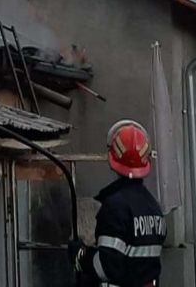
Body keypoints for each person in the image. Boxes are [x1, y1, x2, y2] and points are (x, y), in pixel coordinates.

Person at [75, 120, 166, 287]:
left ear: (112, 160)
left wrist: (80, 254)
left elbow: (105, 267)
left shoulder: (115, 207)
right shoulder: (154, 207)